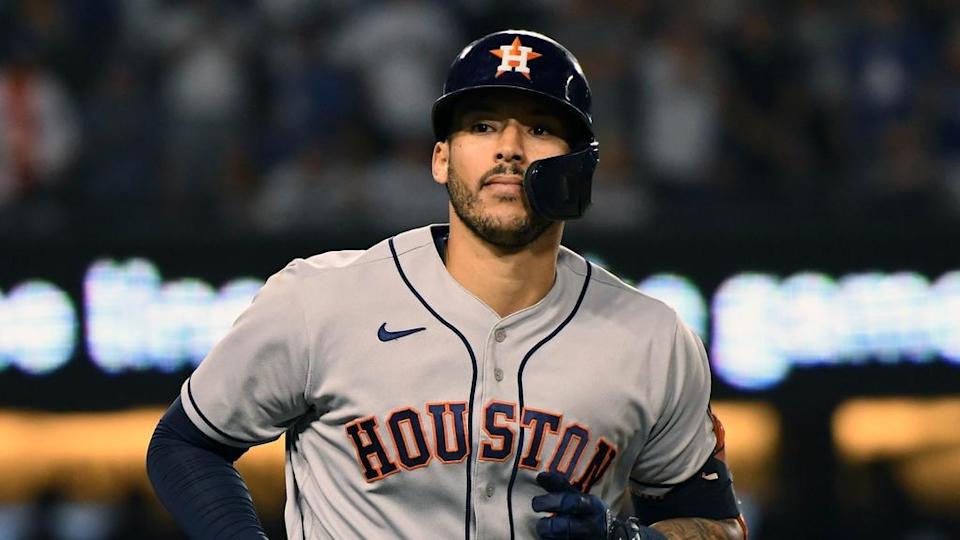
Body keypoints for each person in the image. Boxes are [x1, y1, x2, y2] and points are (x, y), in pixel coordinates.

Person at [146, 30, 748, 540]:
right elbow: (185, 444)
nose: (509, 149)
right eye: (482, 125)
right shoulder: (320, 300)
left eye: (539, 129)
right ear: (440, 159)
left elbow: (714, 526)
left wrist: (627, 539)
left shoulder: (651, 338)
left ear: (581, 165)